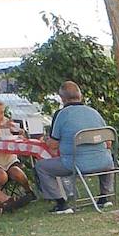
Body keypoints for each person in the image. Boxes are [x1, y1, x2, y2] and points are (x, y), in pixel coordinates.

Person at [36, 81, 113, 214]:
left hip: (75, 164)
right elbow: (108, 143)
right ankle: (104, 197)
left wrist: (47, 140)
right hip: (105, 164)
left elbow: (54, 145)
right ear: (80, 96)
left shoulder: (62, 115)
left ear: (62, 98)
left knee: (41, 167)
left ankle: (61, 203)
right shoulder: (94, 113)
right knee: (105, 155)